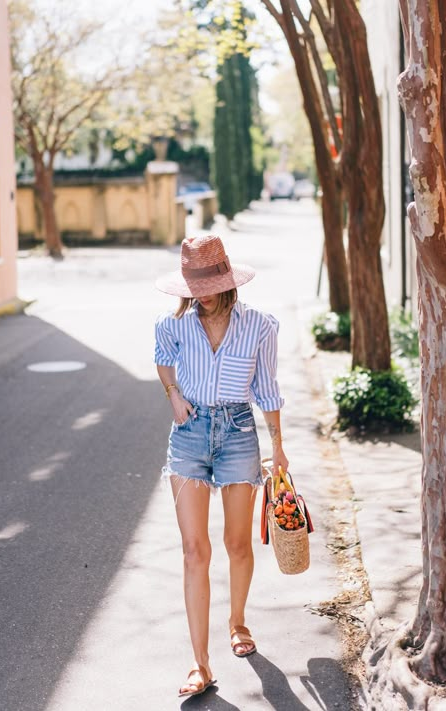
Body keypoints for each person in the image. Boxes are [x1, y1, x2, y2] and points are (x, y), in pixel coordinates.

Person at [154, 234, 288, 698]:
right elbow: (163, 364)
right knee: (195, 551)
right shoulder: (173, 326)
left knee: (237, 544)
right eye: (195, 282)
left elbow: (267, 390)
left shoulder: (259, 326)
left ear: (227, 279)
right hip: (189, 434)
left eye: (210, 280)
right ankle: (200, 663)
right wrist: (173, 396)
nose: (203, 291)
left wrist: (279, 446)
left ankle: (237, 621)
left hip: (238, 433)